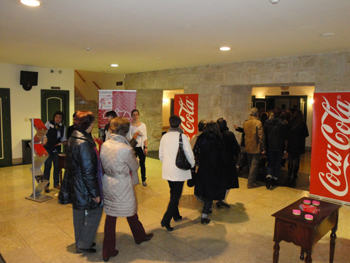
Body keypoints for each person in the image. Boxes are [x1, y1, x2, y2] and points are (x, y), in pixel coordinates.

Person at [100, 117, 153, 262]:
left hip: (108, 181)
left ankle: (107, 251)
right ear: (126, 130)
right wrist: (135, 159)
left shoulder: (105, 145)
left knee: (110, 217)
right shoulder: (126, 149)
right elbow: (135, 167)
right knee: (130, 211)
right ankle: (140, 236)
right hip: (122, 182)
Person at [66, 111, 102, 253]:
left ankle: (80, 241)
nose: (94, 124)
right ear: (87, 124)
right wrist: (95, 193)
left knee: (79, 212)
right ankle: (84, 243)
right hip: (83, 184)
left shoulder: (73, 137)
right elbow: (88, 172)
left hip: (75, 182)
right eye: (92, 122)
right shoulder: (84, 143)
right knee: (96, 210)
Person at [159, 115, 195, 231]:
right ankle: (166, 219)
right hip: (179, 170)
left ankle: (176, 215)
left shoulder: (164, 137)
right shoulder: (182, 136)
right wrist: (192, 164)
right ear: (180, 124)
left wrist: (168, 163)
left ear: (170, 124)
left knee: (173, 193)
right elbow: (189, 154)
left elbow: (161, 155)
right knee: (176, 196)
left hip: (168, 170)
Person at [195, 121, 228, 224]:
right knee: (211, 190)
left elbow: (196, 151)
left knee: (206, 188)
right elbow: (223, 156)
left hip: (203, 167)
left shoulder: (201, 138)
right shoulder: (218, 139)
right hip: (215, 169)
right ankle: (204, 215)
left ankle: (207, 207)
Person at [216, 118, 240, 208]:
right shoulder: (229, 134)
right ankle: (222, 199)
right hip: (228, 161)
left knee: (218, 179)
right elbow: (236, 148)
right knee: (228, 181)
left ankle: (218, 197)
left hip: (217, 161)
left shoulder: (215, 135)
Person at [264, 108, 288, 189]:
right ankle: (275, 179)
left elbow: (264, 135)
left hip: (270, 146)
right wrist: (285, 150)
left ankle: (268, 180)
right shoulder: (284, 124)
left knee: (270, 163)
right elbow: (285, 138)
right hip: (280, 146)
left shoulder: (267, 123)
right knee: (277, 163)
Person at [43, 111, 67, 193]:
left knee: (57, 166)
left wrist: (64, 141)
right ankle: (46, 185)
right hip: (48, 148)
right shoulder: (49, 123)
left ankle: (56, 184)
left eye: (60, 117)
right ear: (54, 117)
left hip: (57, 148)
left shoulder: (63, 127)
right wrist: (45, 138)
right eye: (56, 117)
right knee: (48, 166)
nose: (58, 119)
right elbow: (43, 133)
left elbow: (63, 138)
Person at [243, 107, 266, 189]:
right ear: (257, 114)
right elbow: (261, 137)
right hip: (256, 147)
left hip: (248, 146)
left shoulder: (245, 122)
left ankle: (251, 180)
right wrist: (263, 149)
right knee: (254, 165)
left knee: (250, 164)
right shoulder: (258, 122)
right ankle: (251, 182)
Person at [286, 110, 309, 186]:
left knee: (290, 159)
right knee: (297, 160)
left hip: (291, 143)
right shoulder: (302, 124)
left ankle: (289, 173)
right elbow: (306, 134)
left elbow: (287, 133)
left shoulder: (290, 122)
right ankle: (295, 174)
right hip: (299, 144)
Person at [127, 109, 148, 186]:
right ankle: (134, 179)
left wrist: (146, 147)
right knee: (133, 165)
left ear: (138, 115)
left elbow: (145, 137)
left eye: (136, 114)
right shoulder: (129, 125)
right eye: (134, 115)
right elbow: (128, 138)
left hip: (141, 147)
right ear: (132, 116)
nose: (135, 116)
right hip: (133, 147)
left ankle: (143, 180)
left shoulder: (143, 125)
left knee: (142, 164)